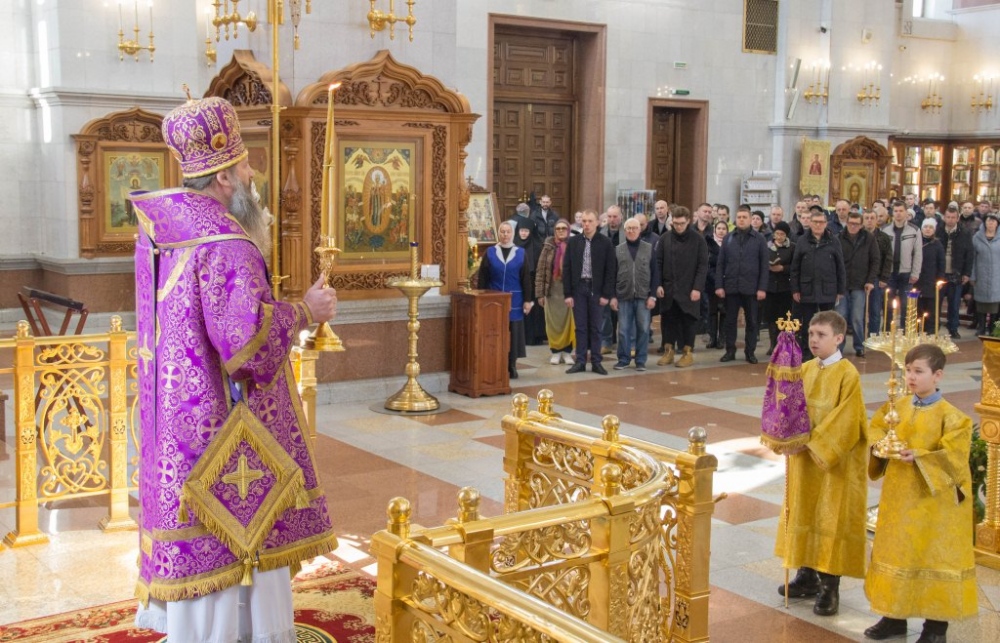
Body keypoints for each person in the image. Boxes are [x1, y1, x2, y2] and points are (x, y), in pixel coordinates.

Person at [130, 96, 339, 641]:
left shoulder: (162, 230)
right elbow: (245, 348)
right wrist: (304, 312)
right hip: (226, 428)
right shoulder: (226, 241)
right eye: (245, 167)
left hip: (175, 421)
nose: (252, 177)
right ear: (223, 176)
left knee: (200, 536)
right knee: (239, 537)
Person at [864, 344, 976, 643]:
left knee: (931, 559)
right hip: (899, 499)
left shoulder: (953, 417)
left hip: (933, 507)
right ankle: (893, 618)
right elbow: (876, 429)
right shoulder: (897, 407)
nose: (911, 377)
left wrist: (921, 456)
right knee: (896, 553)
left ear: (937, 375)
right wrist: (880, 445)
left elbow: (956, 458)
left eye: (918, 371)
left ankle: (935, 628)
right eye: (908, 371)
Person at [776, 311, 868, 618]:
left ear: (838, 338)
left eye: (821, 335)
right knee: (803, 510)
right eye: (811, 334)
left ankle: (830, 586)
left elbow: (847, 421)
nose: (814, 340)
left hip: (833, 465)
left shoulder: (848, 375)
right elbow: (789, 407)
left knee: (830, 518)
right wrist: (784, 433)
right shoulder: (804, 369)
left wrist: (810, 444)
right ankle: (806, 575)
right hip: (803, 462)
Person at [563, 209, 616, 375]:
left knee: (596, 327)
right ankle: (580, 361)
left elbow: (611, 270)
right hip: (579, 288)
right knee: (580, 327)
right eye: (584, 221)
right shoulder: (574, 242)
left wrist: (606, 294)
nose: (586, 224)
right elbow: (567, 268)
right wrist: (568, 294)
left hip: (596, 290)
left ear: (597, 223)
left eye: (590, 221)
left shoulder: (605, 242)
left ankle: (596, 361)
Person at [478, 221, 534, 379]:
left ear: (512, 234)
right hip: (493, 299)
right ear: (498, 233)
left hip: (515, 299)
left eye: (508, 232)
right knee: (494, 331)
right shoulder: (490, 252)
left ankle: (512, 365)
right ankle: (495, 363)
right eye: (502, 231)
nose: (505, 235)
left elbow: (526, 279)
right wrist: (481, 297)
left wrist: (527, 300)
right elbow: (483, 277)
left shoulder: (521, 253)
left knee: (513, 333)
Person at [654, 206, 709, 367]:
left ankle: (687, 353)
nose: (678, 227)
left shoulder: (698, 239)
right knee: (668, 320)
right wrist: (658, 284)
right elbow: (658, 263)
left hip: (689, 288)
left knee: (688, 321)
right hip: (669, 288)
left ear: (688, 221)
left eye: (681, 224)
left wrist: (697, 288)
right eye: (675, 223)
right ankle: (668, 351)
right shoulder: (665, 238)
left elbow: (702, 265)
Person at [715, 204, 769, 363]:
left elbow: (764, 265)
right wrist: (719, 285)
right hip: (731, 286)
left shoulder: (759, 239)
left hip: (752, 288)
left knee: (752, 321)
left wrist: (762, 288)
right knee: (730, 321)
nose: (741, 220)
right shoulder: (728, 238)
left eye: (744, 217)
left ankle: (750, 352)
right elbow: (721, 264)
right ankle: (730, 351)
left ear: (750, 219)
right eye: (739, 217)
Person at [791, 207, 846, 359]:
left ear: (826, 223)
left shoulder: (833, 241)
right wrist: (795, 289)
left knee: (828, 323)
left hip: (828, 288)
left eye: (821, 222)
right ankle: (807, 353)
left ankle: (828, 352)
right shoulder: (802, 241)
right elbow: (795, 268)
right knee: (808, 324)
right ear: (810, 222)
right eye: (815, 222)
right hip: (807, 289)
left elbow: (840, 267)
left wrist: (840, 290)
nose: (818, 225)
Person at [611, 218, 657, 370]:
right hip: (623, 295)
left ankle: (640, 360)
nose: (631, 231)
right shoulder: (618, 250)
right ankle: (623, 359)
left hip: (644, 296)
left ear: (639, 230)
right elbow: (612, 275)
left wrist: (653, 296)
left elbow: (655, 273)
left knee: (643, 329)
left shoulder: (649, 249)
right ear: (625, 231)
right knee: (623, 330)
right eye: (628, 228)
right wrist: (613, 297)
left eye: (634, 228)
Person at [835, 211, 879, 357]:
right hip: (842, 285)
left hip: (860, 284)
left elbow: (875, 260)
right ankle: (838, 347)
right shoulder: (838, 238)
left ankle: (859, 345)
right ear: (846, 223)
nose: (853, 226)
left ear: (861, 225)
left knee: (857, 317)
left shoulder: (869, 238)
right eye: (851, 223)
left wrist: (870, 280)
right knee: (841, 316)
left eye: (856, 224)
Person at [535, 219, 575, 365]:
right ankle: (556, 352)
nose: (561, 231)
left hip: (569, 291)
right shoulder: (548, 246)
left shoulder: (574, 245)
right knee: (553, 323)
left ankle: (567, 352)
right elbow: (540, 271)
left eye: (564, 228)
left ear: (568, 230)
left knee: (568, 322)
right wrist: (540, 294)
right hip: (551, 290)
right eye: (558, 228)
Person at [937, 206, 973, 339]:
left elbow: (969, 254)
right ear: (944, 217)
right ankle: (934, 326)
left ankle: (953, 328)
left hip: (956, 272)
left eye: (953, 217)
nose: (950, 220)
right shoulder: (938, 230)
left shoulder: (965, 232)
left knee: (954, 303)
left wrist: (967, 273)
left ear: (958, 218)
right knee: (937, 301)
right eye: (948, 217)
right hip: (940, 272)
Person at [883, 201, 923, 324]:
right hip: (889, 273)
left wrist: (915, 273)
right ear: (892, 213)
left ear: (906, 212)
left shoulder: (914, 230)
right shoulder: (885, 229)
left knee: (906, 305)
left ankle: (905, 331)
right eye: (896, 211)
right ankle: (887, 330)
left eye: (901, 211)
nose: (898, 214)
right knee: (888, 305)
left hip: (906, 273)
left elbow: (918, 253)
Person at [763, 221, 794, 355]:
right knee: (771, 317)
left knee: (785, 318)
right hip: (770, 287)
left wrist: (783, 268)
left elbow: (795, 266)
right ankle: (773, 344)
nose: (779, 237)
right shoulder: (767, 246)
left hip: (785, 287)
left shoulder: (792, 248)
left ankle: (784, 345)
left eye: (782, 234)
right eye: (777, 234)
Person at [864, 209, 894, 336]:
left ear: (876, 220)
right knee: (860, 310)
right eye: (867, 218)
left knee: (875, 310)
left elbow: (888, 258)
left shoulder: (884, 237)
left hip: (877, 277)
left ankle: (873, 336)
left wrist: (884, 277)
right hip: (861, 277)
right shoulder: (859, 236)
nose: (869, 221)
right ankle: (862, 335)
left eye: (872, 218)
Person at [971, 212, 1000, 335]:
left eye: (993, 221)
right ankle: (981, 327)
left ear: (997, 224)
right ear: (985, 223)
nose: (991, 223)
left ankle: (992, 328)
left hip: (997, 276)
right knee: (981, 303)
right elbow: (972, 259)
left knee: (994, 304)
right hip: (981, 274)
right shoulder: (976, 237)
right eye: (988, 221)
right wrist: (973, 276)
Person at [915, 218, 945, 324]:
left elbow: (941, 263)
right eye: (925, 227)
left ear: (934, 230)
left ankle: (930, 330)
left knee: (930, 309)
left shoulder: (938, 244)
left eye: (931, 227)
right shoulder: (916, 241)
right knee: (917, 308)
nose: (928, 229)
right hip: (917, 280)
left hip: (931, 281)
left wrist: (940, 279)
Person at [705, 220, 729, 350]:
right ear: (715, 230)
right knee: (712, 311)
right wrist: (715, 279)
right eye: (719, 228)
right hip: (711, 283)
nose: (721, 231)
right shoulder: (708, 243)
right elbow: (706, 264)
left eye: (723, 229)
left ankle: (722, 338)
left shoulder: (730, 243)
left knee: (724, 311)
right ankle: (712, 337)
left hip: (726, 283)